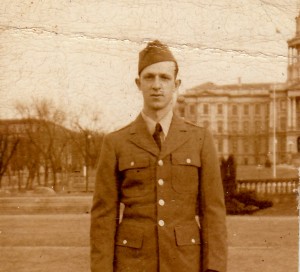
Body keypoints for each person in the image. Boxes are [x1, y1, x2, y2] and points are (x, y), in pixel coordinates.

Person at [90, 40, 227, 272]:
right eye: (149, 77)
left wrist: (213, 269)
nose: (156, 85)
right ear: (138, 83)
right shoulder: (116, 142)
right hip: (132, 264)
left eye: (164, 78)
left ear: (176, 84)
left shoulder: (200, 139)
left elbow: (213, 212)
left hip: (185, 263)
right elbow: (103, 217)